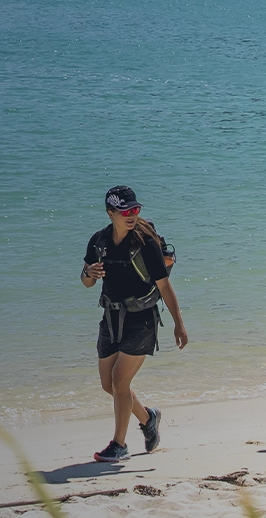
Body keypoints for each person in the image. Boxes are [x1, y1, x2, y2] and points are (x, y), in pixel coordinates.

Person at [80, 185, 188, 463]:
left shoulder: (145, 243)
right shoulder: (99, 242)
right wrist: (87, 272)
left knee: (119, 380)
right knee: (109, 384)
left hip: (141, 319)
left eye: (135, 210)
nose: (131, 215)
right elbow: (88, 282)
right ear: (110, 213)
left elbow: (164, 285)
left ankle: (119, 445)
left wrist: (179, 323)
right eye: (125, 211)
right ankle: (148, 418)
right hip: (111, 318)